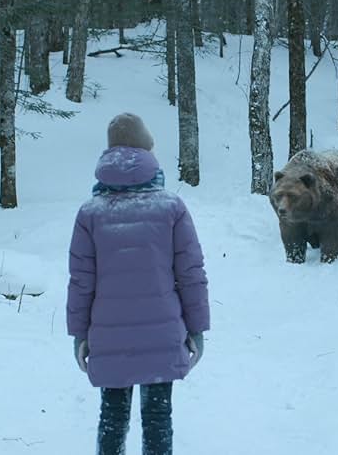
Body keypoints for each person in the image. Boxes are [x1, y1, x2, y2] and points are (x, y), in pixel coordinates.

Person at [67, 113, 209, 455]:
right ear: (148, 152)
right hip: (162, 334)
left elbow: (80, 282)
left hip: (109, 336)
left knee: (112, 416)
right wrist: (197, 329)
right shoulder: (171, 206)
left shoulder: (91, 212)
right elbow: (191, 273)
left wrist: (80, 335)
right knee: (158, 418)